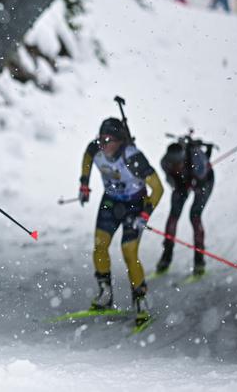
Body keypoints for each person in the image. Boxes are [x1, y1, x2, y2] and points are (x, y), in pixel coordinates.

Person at [78, 118, 163, 327]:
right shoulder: (95, 148)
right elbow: (87, 157)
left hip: (134, 205)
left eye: (108, 140)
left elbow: (158, 188)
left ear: (119, 141)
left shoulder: (133, 158)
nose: (103, 144)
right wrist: (84, 183)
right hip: (110, 200)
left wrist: (145, 215)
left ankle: (141, 300)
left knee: (129, 251)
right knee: (99, 246)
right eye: (100, 139)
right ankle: (105, 293)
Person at [156, 138, 214, 276]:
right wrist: (180, 183)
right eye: (173, 164)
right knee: (173, 215)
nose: (175, 167)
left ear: (184, 160)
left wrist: (195, 182)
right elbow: (172, 181)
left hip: (203, 180)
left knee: (194, 216)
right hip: (183, 181)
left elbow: (202, 179)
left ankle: (199, 261)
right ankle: (166, 256)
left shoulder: (197, 161)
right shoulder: (164, 163)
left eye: (178, 164)